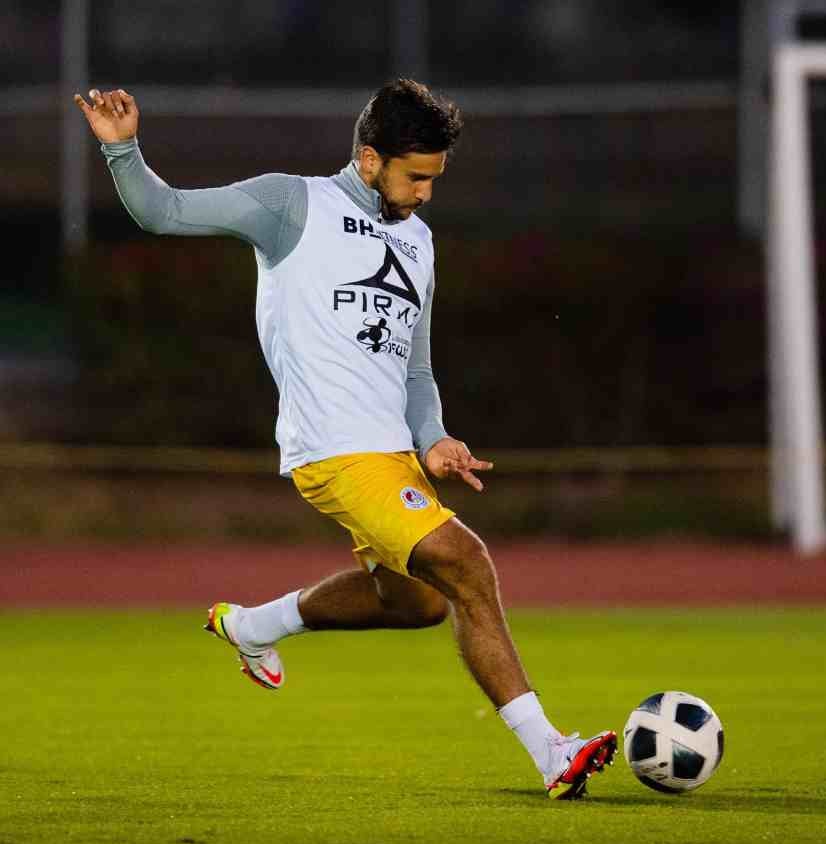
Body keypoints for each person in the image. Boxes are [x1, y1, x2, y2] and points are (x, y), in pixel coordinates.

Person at [74, 79, 616, 799]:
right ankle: (552, 751)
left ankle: (252, 625)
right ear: (369, 158)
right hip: (332, 448)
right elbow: (163, 210)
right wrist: (123, 151)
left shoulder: (420, 241)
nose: (425, 192)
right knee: (468, 562)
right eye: (415, 175)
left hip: (391, 454)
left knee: (420, 602)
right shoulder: (290, 204)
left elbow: (415, 367)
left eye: (434, 179)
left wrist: (434, 437)